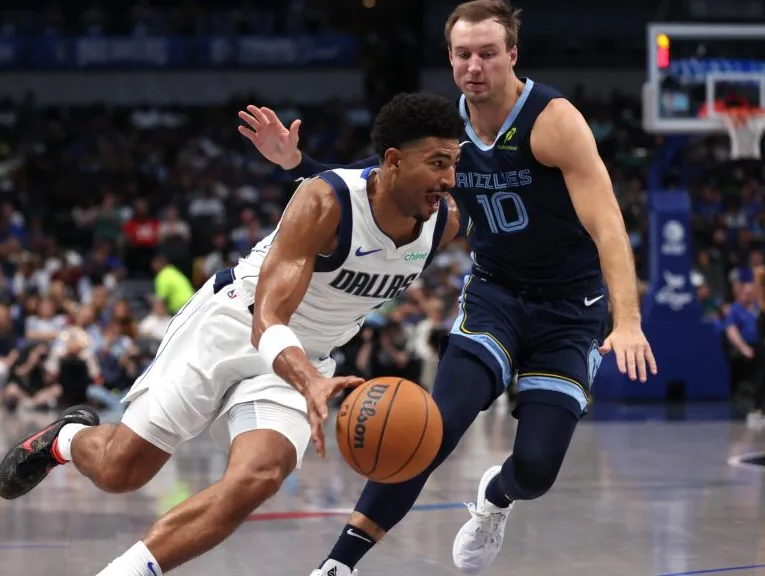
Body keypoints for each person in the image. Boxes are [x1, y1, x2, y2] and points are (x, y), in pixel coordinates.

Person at [238, 1, 656, 574]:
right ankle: (338, 565)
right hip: (496, 297)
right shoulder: (443, 126)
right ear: (450, 59)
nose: (475, 65)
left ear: (512, 55)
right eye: (463, 54)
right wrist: (297, 163)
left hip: (570, 311)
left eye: (487, 53)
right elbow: (371, 182)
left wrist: (627, 321)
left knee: (535, 469)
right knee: (429, 428)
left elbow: (608, 223)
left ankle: (495, 499)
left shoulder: (553, 120)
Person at [0, 91, 464, 576]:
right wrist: (310, 383)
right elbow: (270, 320)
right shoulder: (326, 201)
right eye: (437, 163)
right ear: (392, 161)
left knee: (257, 477)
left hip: (308, 357)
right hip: (234, 326)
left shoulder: (444, 220)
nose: (449, 179)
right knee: (120, 471)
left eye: (454, 162)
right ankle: (67, 438)